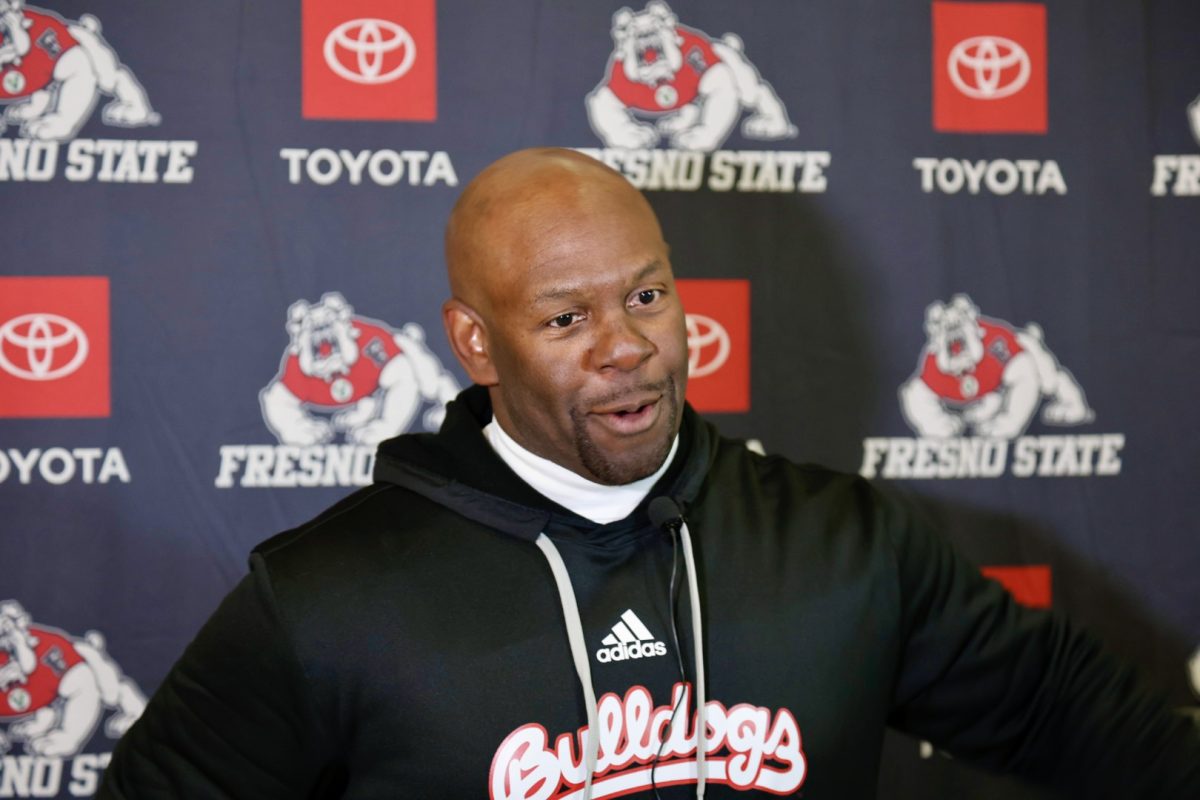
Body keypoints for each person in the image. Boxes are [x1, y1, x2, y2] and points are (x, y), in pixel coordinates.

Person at [100, 148, 1200, 799]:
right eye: (566, 317)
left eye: (647, 295)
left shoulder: (846, 540)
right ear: (476, 343)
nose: (626, 345)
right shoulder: (326, 599)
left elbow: (1083, 717)